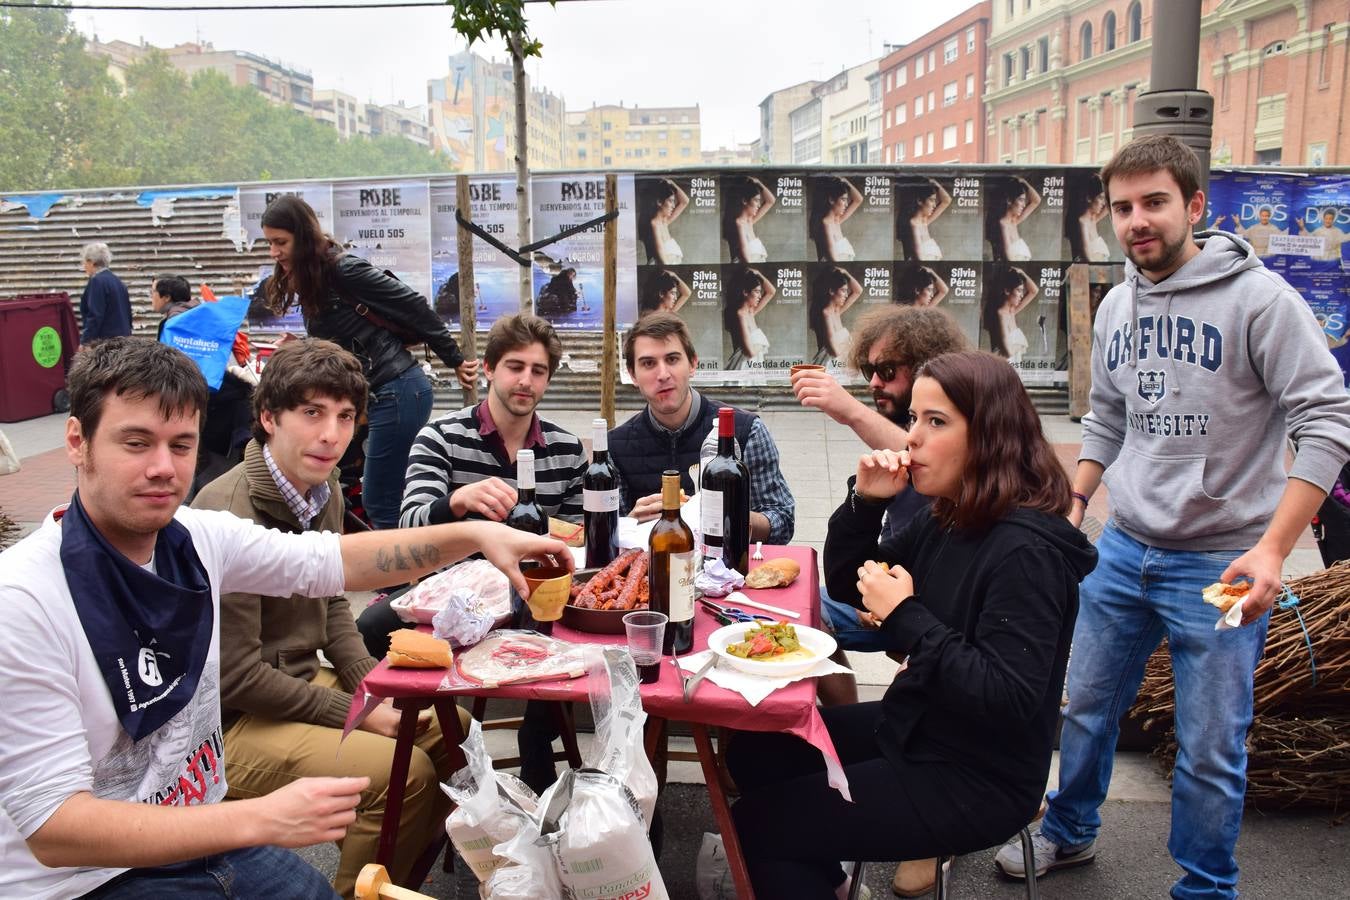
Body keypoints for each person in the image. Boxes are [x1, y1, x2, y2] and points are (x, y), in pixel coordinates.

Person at [0, 337, 567, 899]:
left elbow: (335, 566)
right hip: (88, 881)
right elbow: (54, 829)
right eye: (136, 442)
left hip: (200, 828)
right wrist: (265, 819)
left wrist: (477, 534)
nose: (162, 468)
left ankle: (381, 881)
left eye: (182, 445)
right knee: (399, 775)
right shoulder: (24, 601)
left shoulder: (198, 537)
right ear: (77, 441)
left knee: (440, 740)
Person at [995, 134, 1350, 900]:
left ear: (1194, 205)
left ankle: (1204, 885)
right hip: (1124, 552)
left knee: (1211, 742)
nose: (1136, 221)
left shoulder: (1261, 301)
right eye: (1122, 207)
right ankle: (1070, 830)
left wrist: (1272, 549)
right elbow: (1107, 416)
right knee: (1086, 706)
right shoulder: (1120, 302)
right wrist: (1079, 501)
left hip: (1221, 566)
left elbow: (1327, 422)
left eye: (1154, 202)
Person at [726, 350, 1096, 900]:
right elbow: (855, 583)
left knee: (760, 824)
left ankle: (800, 865)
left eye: (935, 422)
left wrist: (905, 616)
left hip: (978, 773)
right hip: (921, 725)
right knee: (756, 752)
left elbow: (1008, 697)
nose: (911, 438)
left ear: (991, 437)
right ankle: (823, 881)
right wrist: (865, 505)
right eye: (915, 419)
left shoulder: (1026, 553)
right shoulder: (952, 513)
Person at [191, 339, 461, 898]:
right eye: (311, 413)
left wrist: (369, 685)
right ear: (268, 417)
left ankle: (394, 877)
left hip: (296, 680)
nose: (331, 435)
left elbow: (335, 600)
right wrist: (357, 710)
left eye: (344, 417)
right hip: (229, 722)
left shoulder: (321, 484)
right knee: (402, 774)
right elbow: (237, 677)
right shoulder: (226, 510)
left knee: (449, 727)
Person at [375, 314, 586, 793]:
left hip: (532, 594)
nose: (526, 381)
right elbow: (406, 530)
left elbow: (576, 542)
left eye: (538, 370)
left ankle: (536, 742)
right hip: (453, 601)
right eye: (515, 366)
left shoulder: (567, 450)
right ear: (489, 368)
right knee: (373, 627)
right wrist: (456, 503)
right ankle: (445, 743)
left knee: (566, 624)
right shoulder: (441, 438)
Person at [256, 195, 479, 530]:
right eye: (270, 243)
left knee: (381, 498)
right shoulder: (313, 276)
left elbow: (414, 306)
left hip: (397, 391)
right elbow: (345, 335)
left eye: (280, 242)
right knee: (353, 488)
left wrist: (455, 359)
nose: (274, 252)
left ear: (302, 237)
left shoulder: (343, 269)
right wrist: (302, 346)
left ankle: (402, 578)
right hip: (371, 395)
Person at [610, 311, 794, 546]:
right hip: (654, 573)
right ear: (633, 375)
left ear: (693, 364)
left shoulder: (746, 431)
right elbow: (607, 541)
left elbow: (783, 522)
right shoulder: (616, 447)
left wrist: (732, 518)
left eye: (673, 359)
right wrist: (629, 524)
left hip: (731, 573)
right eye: (648, 363)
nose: (663, 374)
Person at [982, 264, 1039, 363]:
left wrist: (1022, 272)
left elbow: (1034, 291)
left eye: (1022, 291)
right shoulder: (1001, 314)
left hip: (1014, 361)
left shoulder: (1012, 311)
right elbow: (1008, 352)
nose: (1021, 295)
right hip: (1005, 363)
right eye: (1019, 291)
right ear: (1007, 291)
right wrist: (1022, 343)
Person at [724, 267, 776, 369]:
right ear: (745, 292)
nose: (760, 296)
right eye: (756, 291)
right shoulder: (740, 315)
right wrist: (763, 343)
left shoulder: (751, 312)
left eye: (760, 291)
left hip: (754, 365)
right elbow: (750, 352)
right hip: (743, 367)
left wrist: (758, 273)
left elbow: (771, 291)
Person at [79, 242, 132, 342]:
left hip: (106, 343)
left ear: (91, 262)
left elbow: (95, 315)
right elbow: (128, 315)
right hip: (123, 341)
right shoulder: (117, 281)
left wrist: (85, 341)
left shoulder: (97, 282)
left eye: (84, 262)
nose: (84, 266)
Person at [808, 265, 862, 364]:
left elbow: (858, 291)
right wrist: (851, 348)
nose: (846, 295)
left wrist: (845, 272)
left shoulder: (837, 311)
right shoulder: (826, 314)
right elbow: (834, 351)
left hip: (839, 363)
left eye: (846, 291)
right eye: (843, 290)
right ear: (831, 291)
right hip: (830, 364)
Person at [986, 176, 1041, 261]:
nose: (1024, 205)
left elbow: (1036, 201)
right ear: (1009, 201)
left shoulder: (1014, 221)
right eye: (1020, 200)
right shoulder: (1003, 224)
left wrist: (1024, 182)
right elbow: (1009, 257)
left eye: (1024, 200)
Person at [896, 177, 952, 261]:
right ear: (919, 201)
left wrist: (933, 182)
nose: (934, 205)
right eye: (932, 200)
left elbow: (947, 200)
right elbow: (920, 261)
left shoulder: (924, 222)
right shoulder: (913, 224)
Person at [723, 175, 775, 263]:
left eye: (759, 201)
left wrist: (759, 183)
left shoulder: (750, 221)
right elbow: (746, 259)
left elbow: (771, 201)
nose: (759, 205)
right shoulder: (739, 223)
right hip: (746, 268)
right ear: (744, 201)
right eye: (756, 200)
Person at [811, 175, 864, 262]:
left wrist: (844, 180)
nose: (846, 204)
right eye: (843, 199)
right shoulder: (825, 224)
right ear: (831, 200)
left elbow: (858, 199)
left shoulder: (837, 221)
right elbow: (834, 261)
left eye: (846, 200)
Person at [638, 177, 690, 265]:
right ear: (659, 202)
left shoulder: (664, 222)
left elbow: (685, 201)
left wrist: (672, 183)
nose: (673, 206)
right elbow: (662, 261)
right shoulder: (654, 224)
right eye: (670, 201)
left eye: (674, 202)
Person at [1066, 173, 1112, 262]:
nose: (1103, 203)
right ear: (1089, 198)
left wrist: (1103, 181)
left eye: (1104, 199)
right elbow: (1088, 256)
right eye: (1100, 198)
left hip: (1102, 267)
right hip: (1095, 270)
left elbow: (1110, 204)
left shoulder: (1093, 219)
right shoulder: (1083, 222)